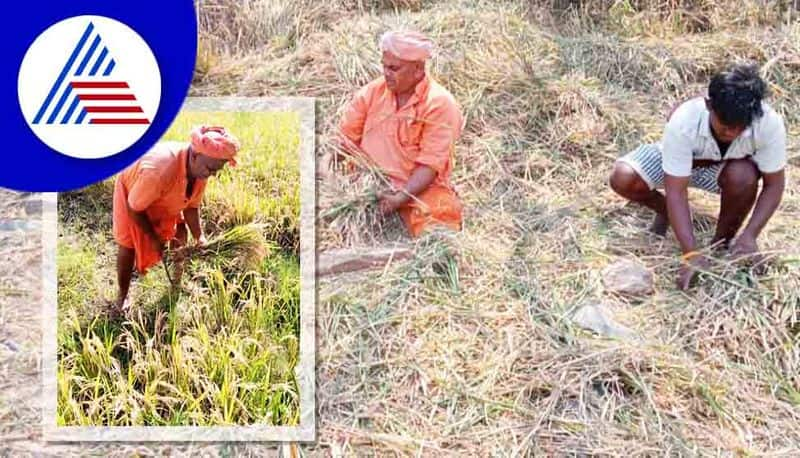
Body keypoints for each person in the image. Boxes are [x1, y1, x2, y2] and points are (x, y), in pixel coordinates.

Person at [609, 64, 787, 289]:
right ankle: (667, 214)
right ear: (709, 105)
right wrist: (690, 252)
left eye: (739, 127)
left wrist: (750, 235)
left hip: (724, 167)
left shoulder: (769, 123)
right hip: (676, 161)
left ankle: (721, 244)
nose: (731, 133)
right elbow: (676, 190)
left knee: (744, 176)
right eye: (724, 126)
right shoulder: (685, 119)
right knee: (623, 177)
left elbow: (774, 185)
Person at [336, 30, 464, 237]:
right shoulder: (371, 93)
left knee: (440, 221)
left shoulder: (440, 104)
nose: (386, 73)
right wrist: (324, 174)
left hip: (417, 190)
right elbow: (341, 142)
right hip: (366, 186)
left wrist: (400, 197)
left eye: (394, 68)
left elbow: (430, 165)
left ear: (418, 69)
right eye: (384, 66)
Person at [111, 125, 240, 315]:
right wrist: (154, 239)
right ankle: (122, 296)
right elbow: (135, 207)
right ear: (194, 156)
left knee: (180, 232)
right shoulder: (160, 171)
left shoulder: (199, 170)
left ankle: (176, 282)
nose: (212, 174)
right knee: (128, 244)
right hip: (134, 192)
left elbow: (191, 207)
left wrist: (200, 237)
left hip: (164, 191)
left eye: (216, 171)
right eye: (211, 169)